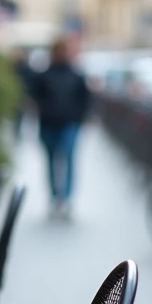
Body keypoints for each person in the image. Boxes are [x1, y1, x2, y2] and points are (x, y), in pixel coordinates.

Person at [32, 38, 91, 216]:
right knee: (51, 160)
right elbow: (34, 97)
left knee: (69, 158)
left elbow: (85, 99)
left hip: (70, 123)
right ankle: (54, 196)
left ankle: (66, 197)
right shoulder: (44, 75)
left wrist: (82, 117)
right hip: (49, 123)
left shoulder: (76, 75)